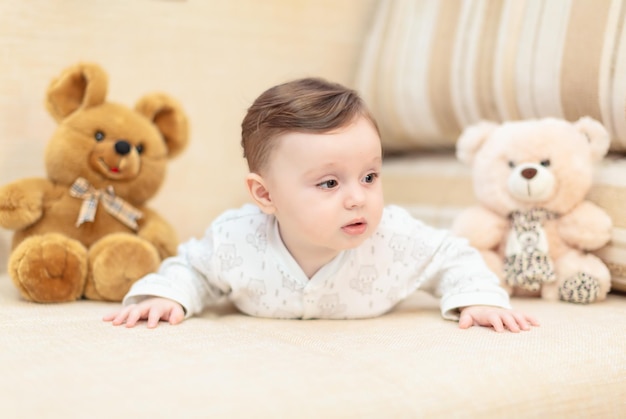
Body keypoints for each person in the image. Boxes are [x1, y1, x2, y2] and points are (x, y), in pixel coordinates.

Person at [104, 77, 539, 332]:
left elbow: (452, 256)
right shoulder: (235, 240)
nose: (358, 197)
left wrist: (478, 299)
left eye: (370, 176)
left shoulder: (394, 238)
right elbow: (192, 268)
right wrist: (168, 297)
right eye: (329, 182)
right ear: (265, 195)